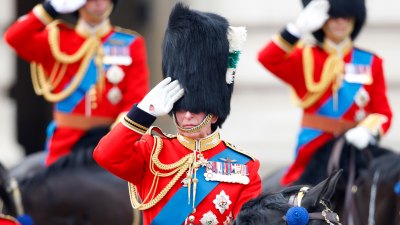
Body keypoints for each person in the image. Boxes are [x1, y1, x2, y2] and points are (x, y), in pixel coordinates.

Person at [94, 3, 262, 225]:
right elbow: (106, 155)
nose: (188, 115)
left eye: (196, 108)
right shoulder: (152, 151)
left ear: (213, 111)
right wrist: (144, 113)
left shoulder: (245, 167)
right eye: (182, 107)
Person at [258, 0, 392, 186]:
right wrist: (296, 29)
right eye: (333, 16)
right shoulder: (305, 57)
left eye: (346, 16)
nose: (340, 22)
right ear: (323, 20)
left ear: (355, 20)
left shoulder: (371, 61)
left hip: (356, 145)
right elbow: (267, 58)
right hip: (315, 148)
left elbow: (383, 112)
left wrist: (368, 130)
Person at [4, 0, 149, 166]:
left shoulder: (131, 43)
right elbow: (14, 37)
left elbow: (135, 98)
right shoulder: (57, 38)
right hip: (65, 142)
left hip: (109, 140)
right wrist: (50, 8)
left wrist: (118, 134)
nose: (99, 2)